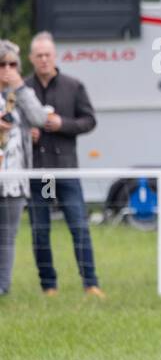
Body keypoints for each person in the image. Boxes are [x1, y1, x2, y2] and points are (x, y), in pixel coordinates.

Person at [25, 33, 103, 298]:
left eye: (48, 55)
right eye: (39, 56)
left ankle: (91, 283)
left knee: (78, 225)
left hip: (66, 169)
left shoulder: (73, 86)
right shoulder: (23, 90)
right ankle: (49, 286)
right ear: (31, 59)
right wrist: (27, 134)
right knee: (41, 229)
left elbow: (89, 121)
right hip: (40, 172)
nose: (44, 60)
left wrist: (62, 125)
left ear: (55, 56)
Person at [0, 40, 47, 296]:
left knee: (7, 237)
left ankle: (2, 287)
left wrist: (19, 85)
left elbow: (40, 118)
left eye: (13, 64)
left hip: (14, 179)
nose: (8, 69)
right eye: (2, 64)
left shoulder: (20, 95)